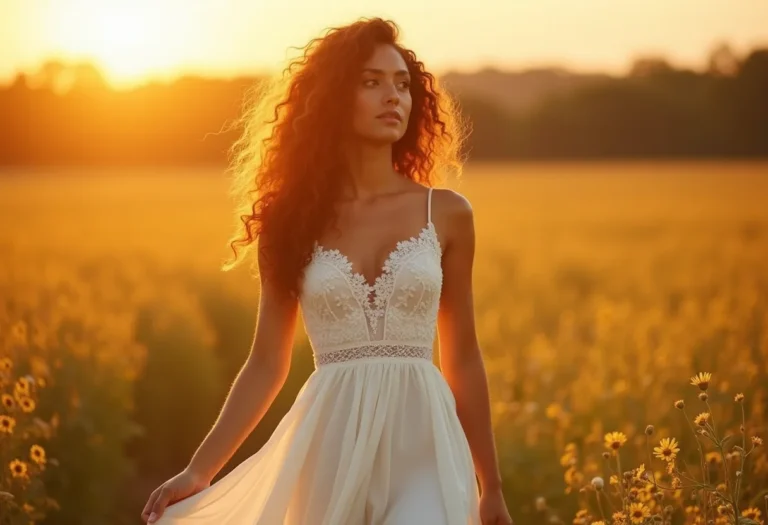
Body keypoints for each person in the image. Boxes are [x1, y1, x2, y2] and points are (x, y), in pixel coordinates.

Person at [141, 16, 513, 525]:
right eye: (371, 82)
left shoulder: (446, 213)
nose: (393, 97)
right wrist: (200, 471)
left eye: (402, 84)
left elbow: (463, 357)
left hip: (423, 443)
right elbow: (266, 364)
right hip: (330, 440)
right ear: (334, 98)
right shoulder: (288, 224)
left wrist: (490, 485)